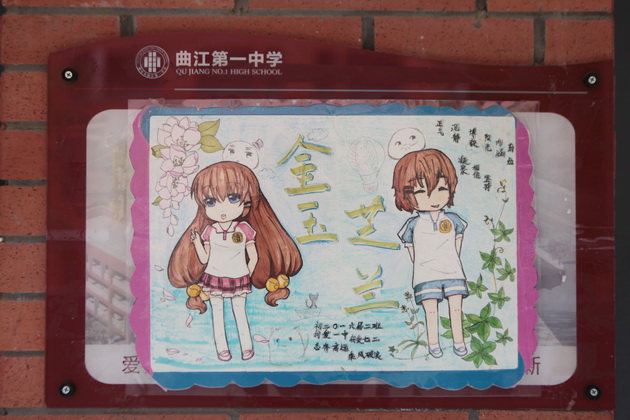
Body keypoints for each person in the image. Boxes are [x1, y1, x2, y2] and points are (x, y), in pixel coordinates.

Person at [168, 161, 302, 362]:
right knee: (217, 315)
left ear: (247, 200)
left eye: (233, 198)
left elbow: (254, 256)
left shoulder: (244, 230)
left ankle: (247, 348)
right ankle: (222, 349)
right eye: (211, 201)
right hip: (213, 277)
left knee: (240, 313)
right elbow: (204, 258)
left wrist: (247, 273)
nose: (222, 208)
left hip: (239, 277)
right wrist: (196, 243)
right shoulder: (209, 231)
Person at [392, 149, 469, 358]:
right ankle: (434, 344)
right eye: (421, 191)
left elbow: (458, 240)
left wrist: (451, 260)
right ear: (406, 195)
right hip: (425, 276)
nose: (433, 197)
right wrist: (422, 264)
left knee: (456, 309)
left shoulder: (453, 219)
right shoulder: (413, 224)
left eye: (441, 188)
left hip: (453, 272)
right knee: (431, 311)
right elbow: (411, 248)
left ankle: (459, 342)